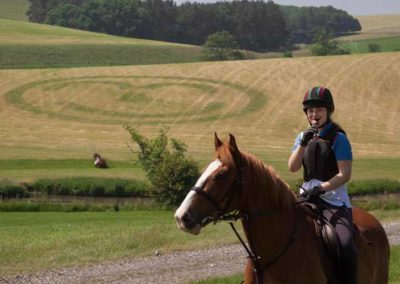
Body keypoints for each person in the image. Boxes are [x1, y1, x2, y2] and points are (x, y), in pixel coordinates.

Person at [288, 86, 357, 284]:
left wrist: (322, 188)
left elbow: (345, 174)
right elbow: (293, 167)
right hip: (307, 196)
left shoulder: (338, 138)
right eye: (310, 111)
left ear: (328, 111)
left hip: (333, 199)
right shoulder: (302, 137)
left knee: (344, 242)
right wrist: (303, 143)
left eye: (319, 110)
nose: (314, 115)